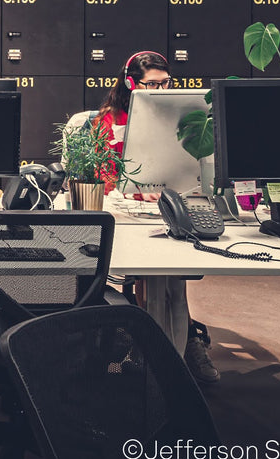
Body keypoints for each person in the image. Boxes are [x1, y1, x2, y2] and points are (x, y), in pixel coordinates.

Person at [94, 50, 219, 384]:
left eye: (166, 82)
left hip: (177, 201)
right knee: (153, 290)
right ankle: (151, 365)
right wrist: (136, 189)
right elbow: (105, 172)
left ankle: (177, 369)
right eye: (153, 83)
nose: (161, 89)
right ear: (131, 82)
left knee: (176, 291)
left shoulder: (181, 113)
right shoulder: (111, 118)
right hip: (132, 209)